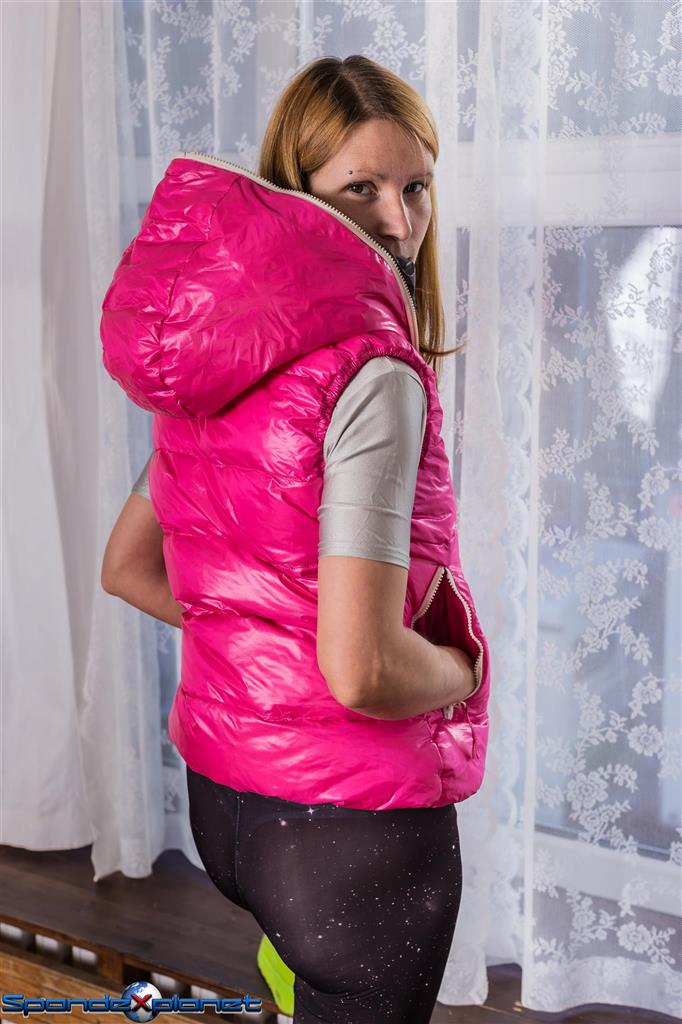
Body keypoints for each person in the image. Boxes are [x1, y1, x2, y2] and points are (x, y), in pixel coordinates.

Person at [100, 54, 491, 1024]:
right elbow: (361, 671)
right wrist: (461, 668)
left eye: (415, 188)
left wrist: (264, 643)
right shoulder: (374, 377)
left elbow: (129, 568)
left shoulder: (221, 364)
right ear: (296, 188)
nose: (397, 221)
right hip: (347, 839)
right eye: (360, 189)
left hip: (229, 810)